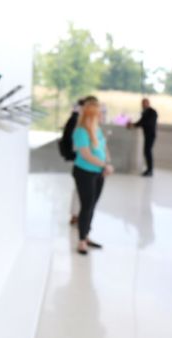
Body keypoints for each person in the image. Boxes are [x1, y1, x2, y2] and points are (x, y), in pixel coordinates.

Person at [72, 97, 115, 255]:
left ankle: (86, 235)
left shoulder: (96, 129)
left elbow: (104, 148)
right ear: (93, 114)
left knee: (92, 206)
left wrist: (107, 163)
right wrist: (104, 165)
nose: (103, 115)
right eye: (101, 112)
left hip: (97, 172)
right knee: (86, 205)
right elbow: (85, 154)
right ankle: (81, 240)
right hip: (84, 173)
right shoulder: (81, 131)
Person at [59, 98, 87, 225]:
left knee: (79, 189)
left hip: (79, 158)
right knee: (80, 189)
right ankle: (76, 215)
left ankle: (77, 214)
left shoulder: (76, 119)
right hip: (81, 159)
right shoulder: (78, 121)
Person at [128, 98, 158, 177]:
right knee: (146, 152)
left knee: (148, 151)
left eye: (145, 103)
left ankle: (150, 170)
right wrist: (133, 124)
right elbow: (141, 121)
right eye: (142, 103)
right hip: (147, 135)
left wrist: (134, 125)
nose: (143, 105)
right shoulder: (145, 112)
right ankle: (149, 169)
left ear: (148, 103)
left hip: (150, 135)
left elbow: (146, 122)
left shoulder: (153, 112)